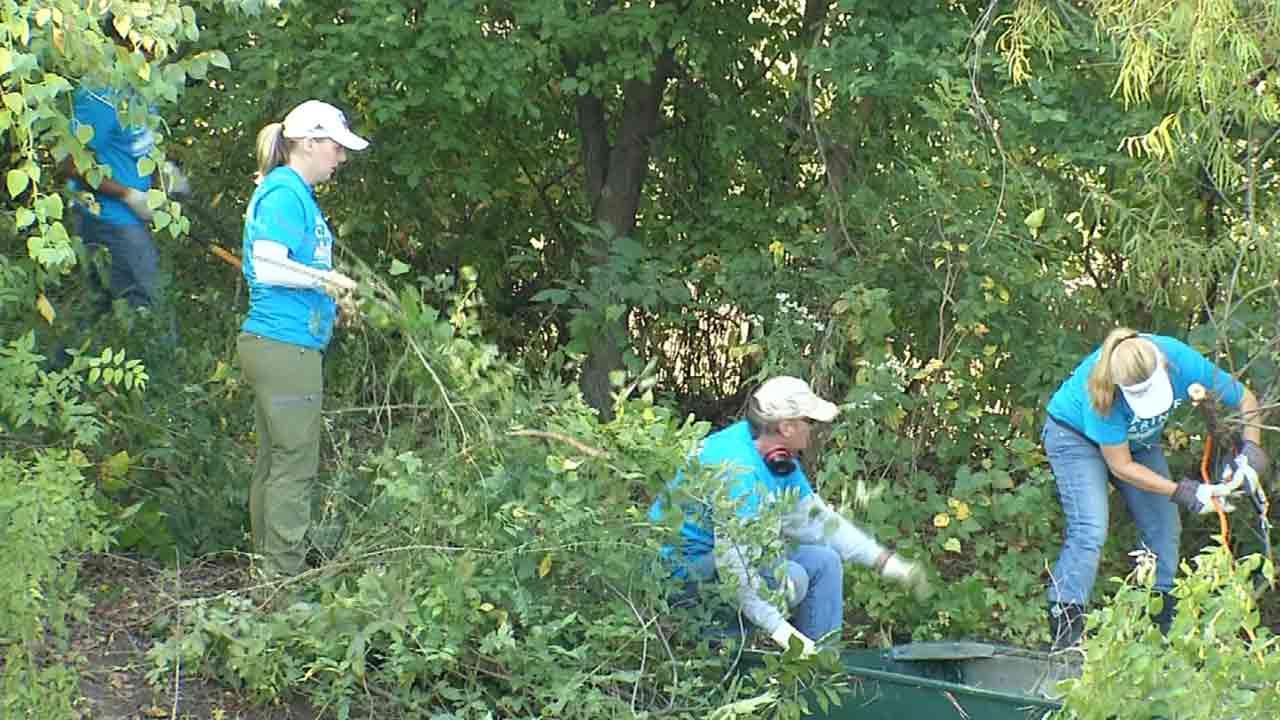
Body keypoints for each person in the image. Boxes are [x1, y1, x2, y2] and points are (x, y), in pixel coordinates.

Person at [650, 376, 930, 655]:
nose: (813, 429)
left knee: (824, 562)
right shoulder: (739, 473)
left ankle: (823, 667)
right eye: (809, 422)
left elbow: (817, 521)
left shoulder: (771, 454)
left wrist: (883, 560)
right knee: (791, 578)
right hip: (677, 579)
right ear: (786, 427)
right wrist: (783, 633)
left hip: (728, 556)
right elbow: (736, 570)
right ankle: (724, 653)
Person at [1042, 327, 1267, 649]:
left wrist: (1251, 452)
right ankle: (1065, 632)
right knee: (1090, 529)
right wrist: (1186, 491)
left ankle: (1157, 633)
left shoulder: (1179, 359)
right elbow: (1121, 466)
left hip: (1139, 442)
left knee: (1164, 528)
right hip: (1074, 439)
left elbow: (1245, 398)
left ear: (1163, 366)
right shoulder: (1101, 390)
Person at [237, 100, 367, 576]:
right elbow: (269, 263)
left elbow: (289, 266)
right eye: (336, 147)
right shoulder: (284, 193)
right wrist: (326, 280)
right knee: (295, 465)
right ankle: (283, 580)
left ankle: (265, 570)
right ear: (309, 144)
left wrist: (329, 294)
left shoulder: (293, 194)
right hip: (285, 347)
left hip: (280, 344)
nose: (341, 157)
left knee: (275, 463)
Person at [66, 82, 162, 312]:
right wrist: (128, 195)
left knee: (117, 311)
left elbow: (141, 149)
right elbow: (71, 165)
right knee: (142, 309)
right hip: (106, 221)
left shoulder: (146, 92)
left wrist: (162, 184)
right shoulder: (101, 99)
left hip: (132, 222)